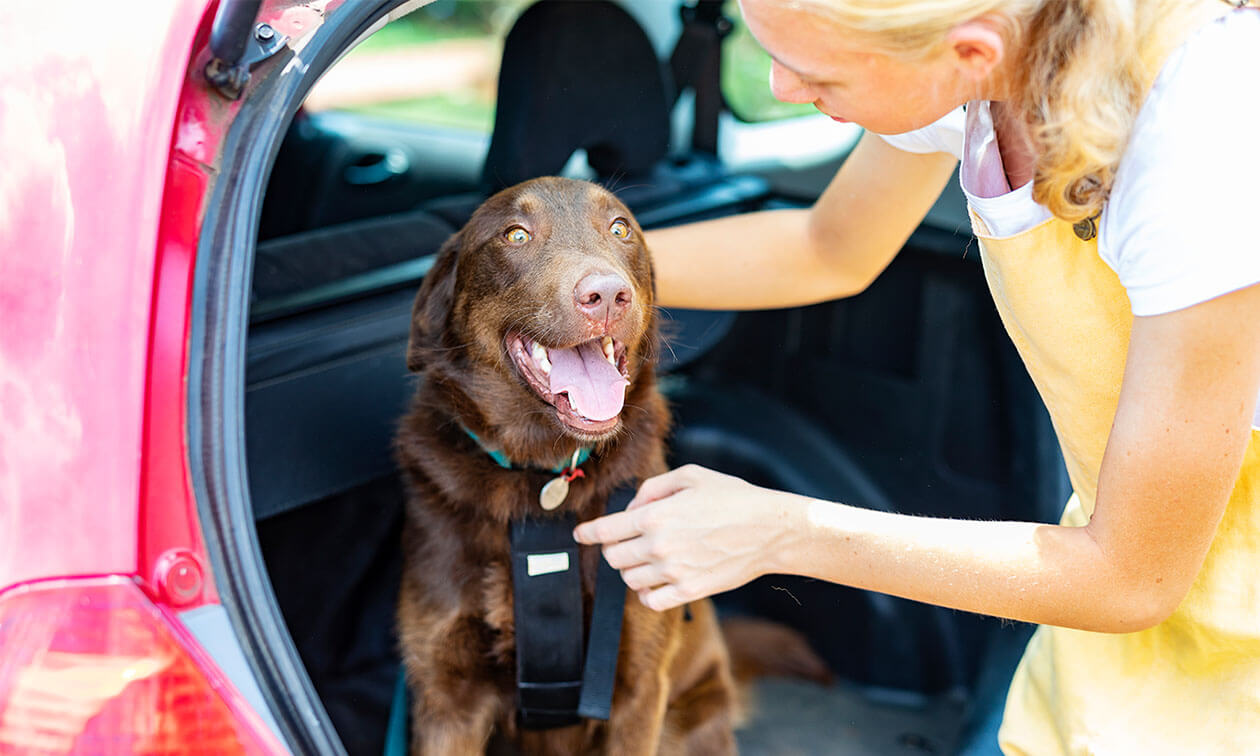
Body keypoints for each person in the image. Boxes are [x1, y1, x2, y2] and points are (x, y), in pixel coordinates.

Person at [572, 0, 1260, 752]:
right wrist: (563, 280)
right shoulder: (989, 66)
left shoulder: (1203, 146)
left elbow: (1132, 578)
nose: (779, 87)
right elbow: (825, 246)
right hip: (1119, 620)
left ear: (970, 52)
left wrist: (778, 531)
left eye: (813, 71)